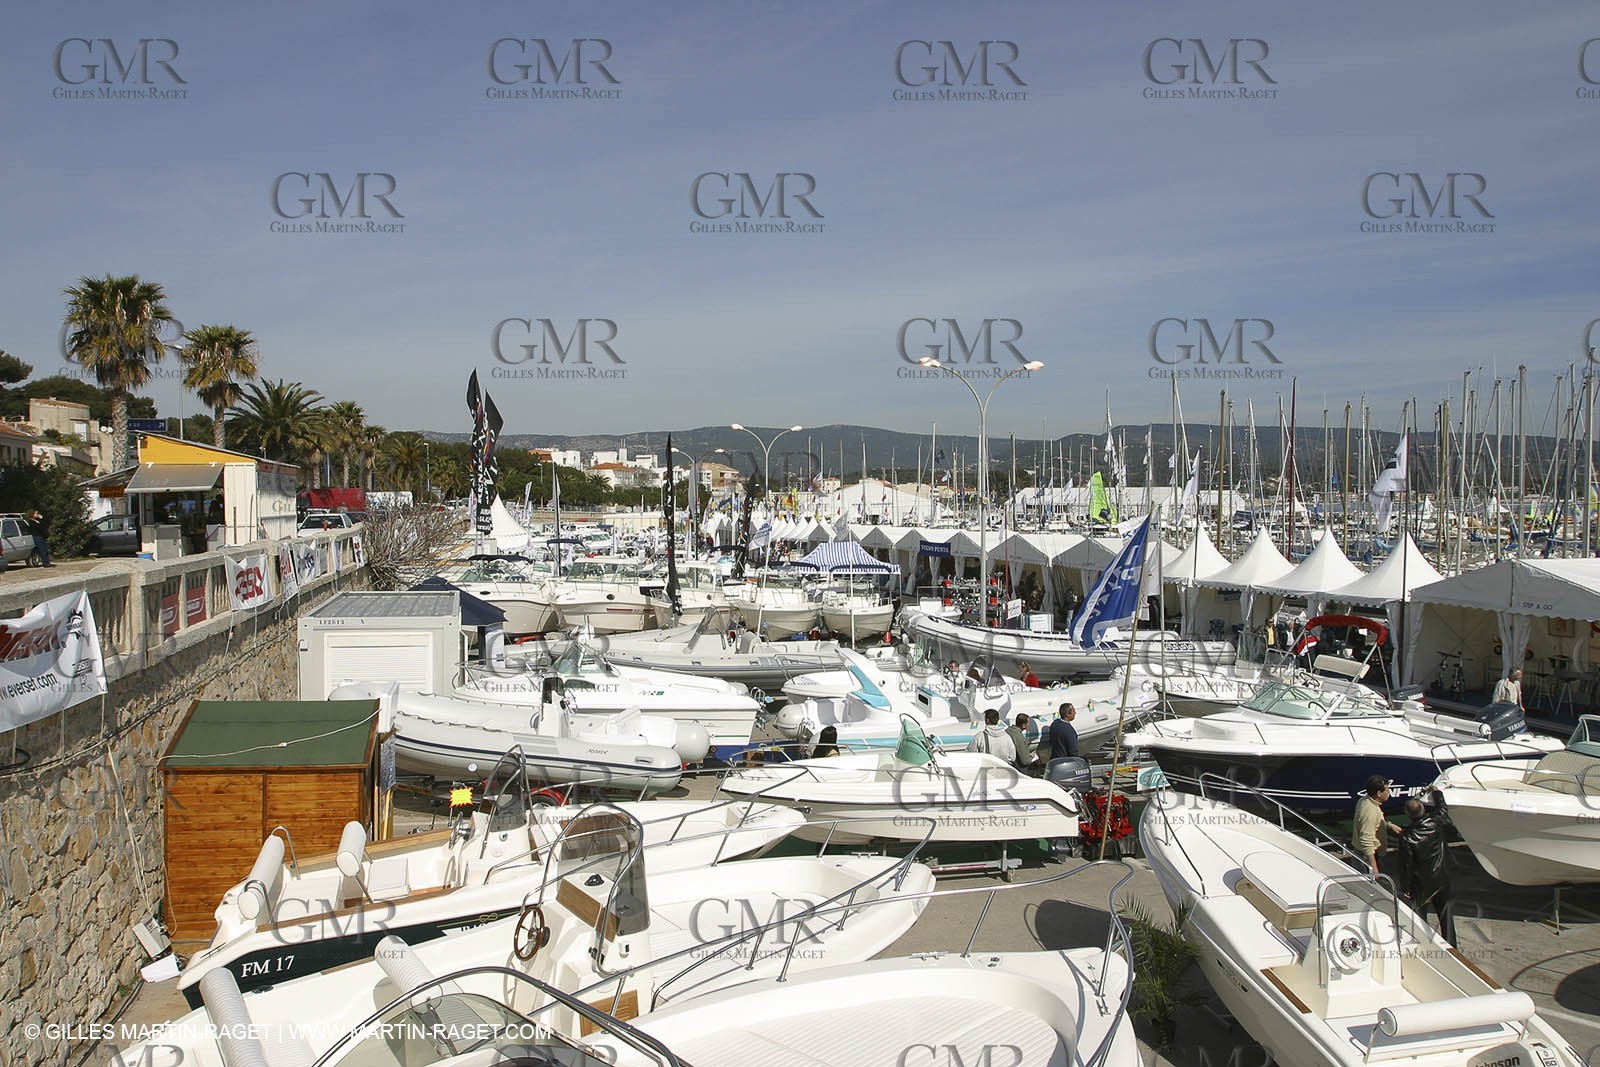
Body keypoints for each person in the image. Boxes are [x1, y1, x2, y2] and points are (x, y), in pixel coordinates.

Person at [1397, 795, 1456, 945]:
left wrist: (1405, 887)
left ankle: (1425, 948)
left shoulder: (1407, 836)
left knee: (1420, 920)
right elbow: (1442, 810)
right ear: (1423, 810)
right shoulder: (1435, 823)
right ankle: (1452, 949)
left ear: (1408, 814)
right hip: (1442, 877)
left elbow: (1407, 865)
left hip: (1421, 884)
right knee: (1446, 917)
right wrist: (1438, 794)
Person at [1352, 774, 1402, 878]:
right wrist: (1374, 868)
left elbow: (1370, 823)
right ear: (1379, 793)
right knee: (1371, 888)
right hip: (1367, 857)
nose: (1389, 793)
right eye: (1387, 790)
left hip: (1370, 853)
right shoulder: (1370, 811)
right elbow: (1366, 840)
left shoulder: (1365, 801)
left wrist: (1388, 825)